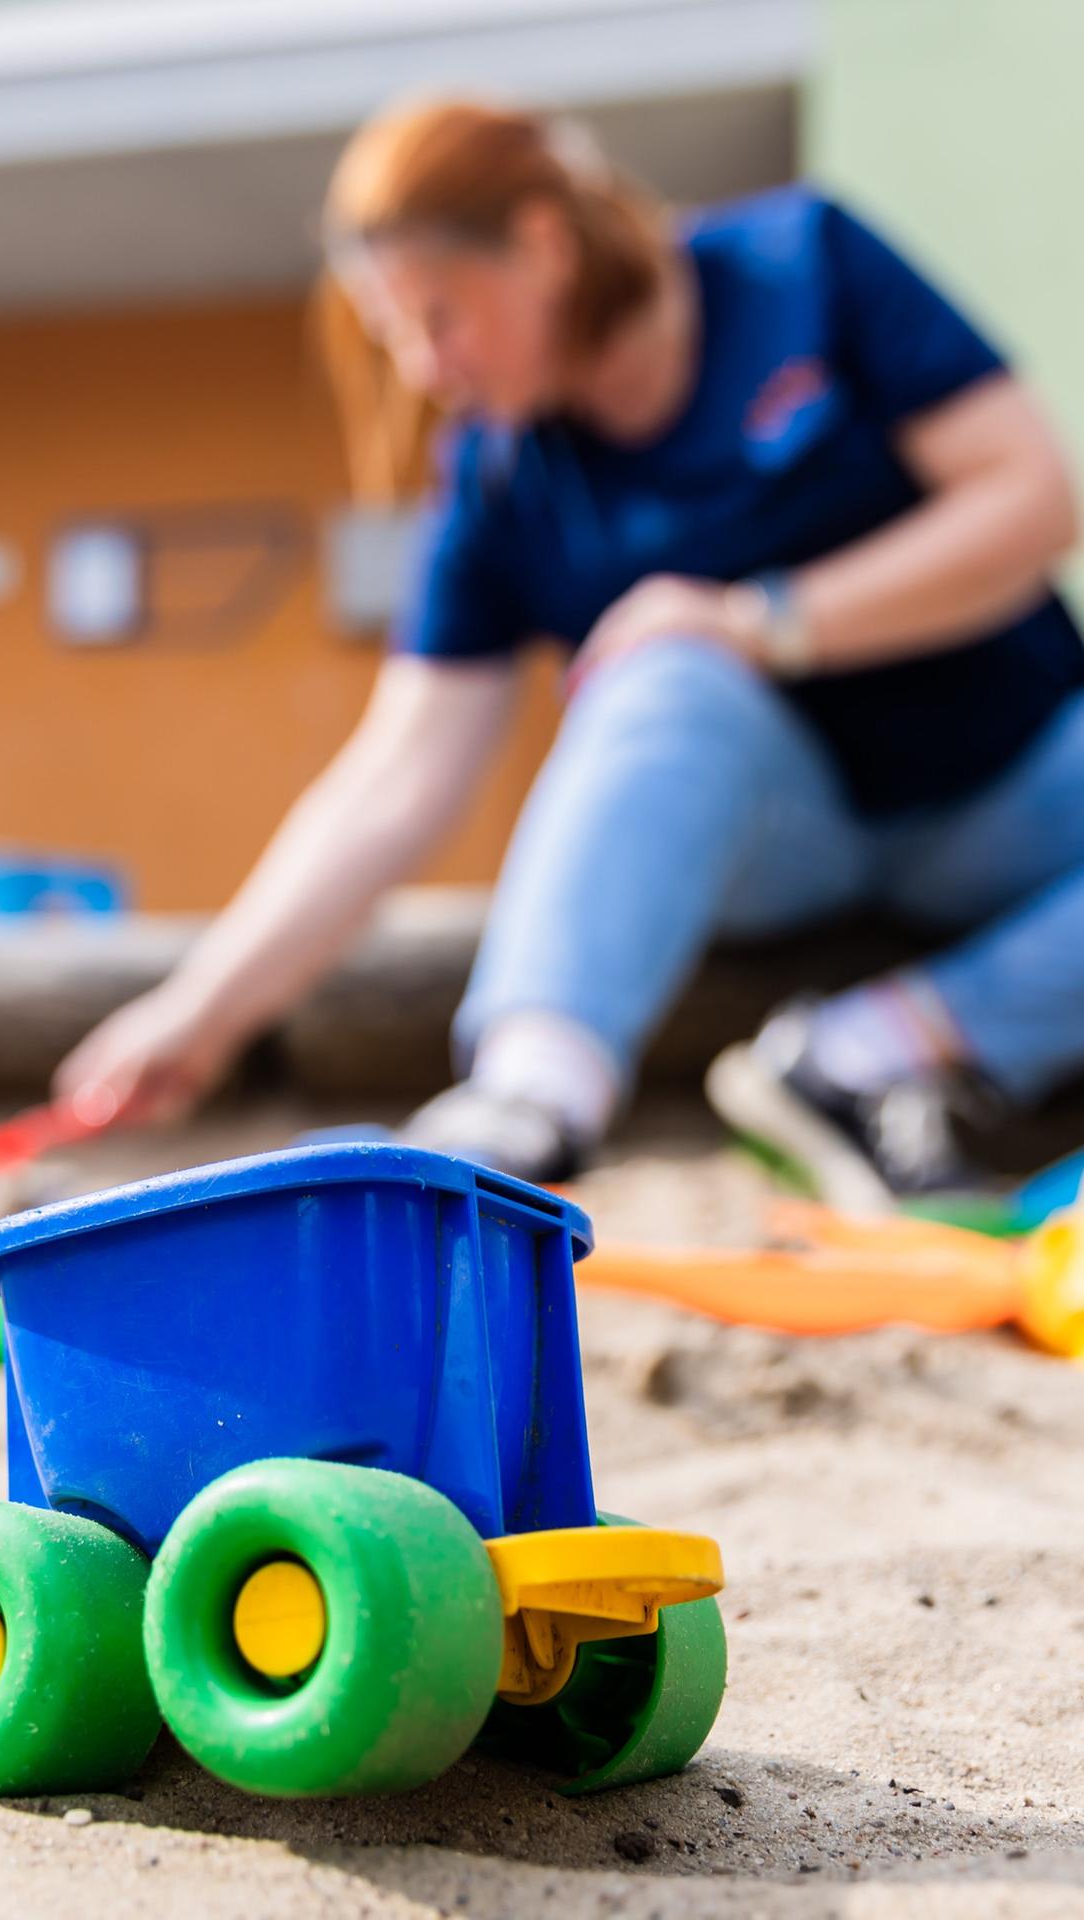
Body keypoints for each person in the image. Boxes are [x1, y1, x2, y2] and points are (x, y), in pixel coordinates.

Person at [57, 100, 1084, 1209]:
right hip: (777, 841)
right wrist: (204, 1007)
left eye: (438, 317)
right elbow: (400, 771)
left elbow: (1031, 497)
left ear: (541, 244)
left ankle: (877, 1050)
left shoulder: (806, 266)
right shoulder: (498, 475)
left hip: (1019, 788)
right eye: (395, 334)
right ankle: (529, 1099)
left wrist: (759, 620)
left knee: (684, 636)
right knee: (661, 675)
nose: (422, 366)